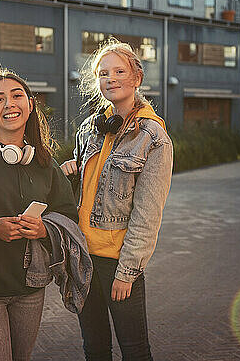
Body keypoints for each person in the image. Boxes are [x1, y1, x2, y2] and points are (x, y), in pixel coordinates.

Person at [0, 66, 90, 361]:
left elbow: (68, 214)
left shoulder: (45, 162)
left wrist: (44, 230)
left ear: (30, 105)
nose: (9, 104)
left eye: (17, 96)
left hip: (31, 287)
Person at [61, 37, 173, 361]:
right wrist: (72, 171)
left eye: (119, 71)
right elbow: (85, 194)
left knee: (135, 351)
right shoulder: (90, 129)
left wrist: (128, 270)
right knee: (94, 349)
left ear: (136, 77)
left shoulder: (154, 138)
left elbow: (147, 214)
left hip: (117, 262)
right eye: (103, 73)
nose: (110, 79)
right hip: (82, 256)